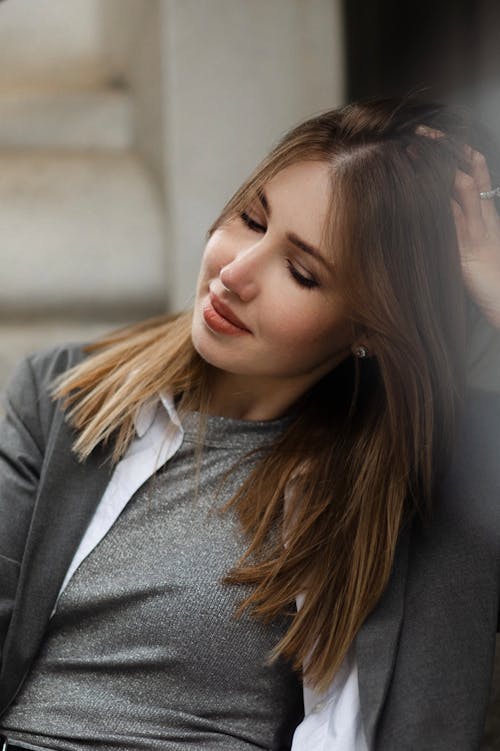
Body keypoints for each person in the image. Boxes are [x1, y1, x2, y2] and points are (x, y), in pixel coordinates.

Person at [0, 96, 500, 751]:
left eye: (301, 271)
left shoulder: (429, 481)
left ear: (370, 328)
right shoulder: (63, 395)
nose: (234, 273)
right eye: (249, 219)